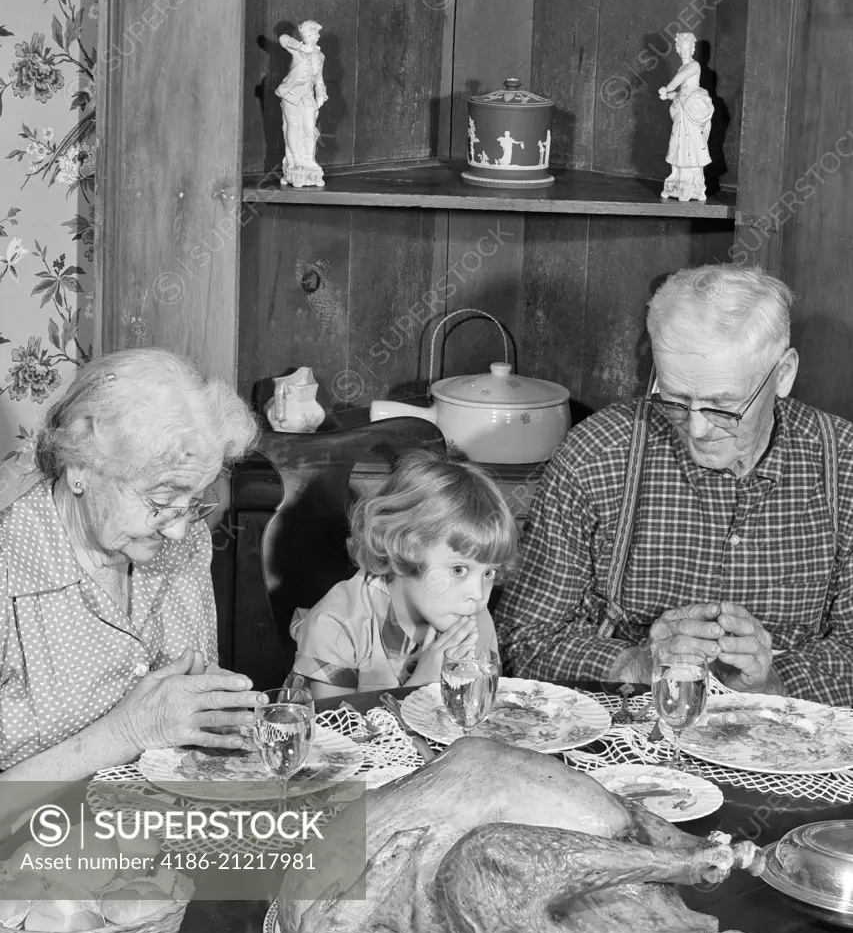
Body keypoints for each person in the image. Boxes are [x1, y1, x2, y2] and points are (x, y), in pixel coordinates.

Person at [496, 264, 853, 707]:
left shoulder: (845, 466)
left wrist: (772, 683)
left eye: (724, 407)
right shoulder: (598, 454)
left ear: (783, 374)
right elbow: (522, 642)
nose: (698, 429)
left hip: (789, 739)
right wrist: (639, 664)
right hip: (629, 735)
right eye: (676, 399)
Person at [0, 348, 263, 780]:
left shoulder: (185, 538)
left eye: (194, 502)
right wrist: (129, 730)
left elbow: (190, 701)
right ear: (81, 466)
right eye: (161, 500)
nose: (179, 529)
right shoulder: (11, 566)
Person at [289, 451, 517, 698]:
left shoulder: (474, 619)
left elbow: (480, 714)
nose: (478, 596)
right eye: (459, 569)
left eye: (489, 573)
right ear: (409, 547)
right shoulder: (337, 625)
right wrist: (419, 684)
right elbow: (334, 731)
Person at [659, 31, 713, 202]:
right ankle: (677, 175)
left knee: (692, 144)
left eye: (687, 49)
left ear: (692, 49)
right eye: (681, 49)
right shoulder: (682, 67)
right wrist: (668, 95)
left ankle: (691, 179)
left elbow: (680, 80)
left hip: (692, 107)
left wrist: (668, 88)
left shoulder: (693, 66)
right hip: (683, 107)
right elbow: (680, 93)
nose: (684, 52)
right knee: (677, 143)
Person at [277, 20, 327, 188]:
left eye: (311, 35)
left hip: (307, 95)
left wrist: (321, 94)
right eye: (306, 35)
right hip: (290, 93)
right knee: (293, 126)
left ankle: (308, 160)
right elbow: (283, 39)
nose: (310, 38)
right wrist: (300, 46)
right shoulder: (297, 48)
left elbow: (319, 80)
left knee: (309, 129)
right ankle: (296, 161)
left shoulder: (320, 56)